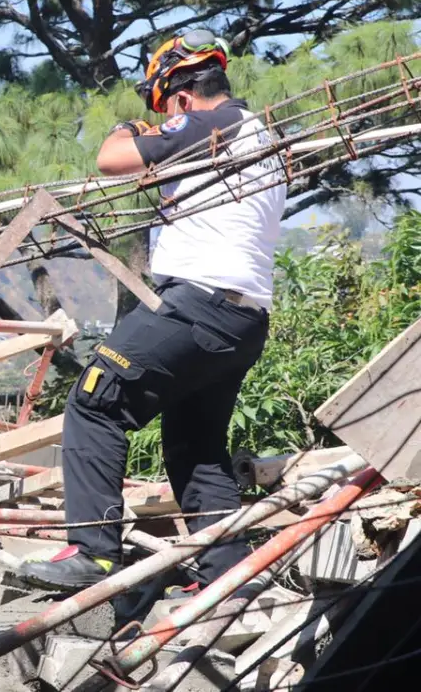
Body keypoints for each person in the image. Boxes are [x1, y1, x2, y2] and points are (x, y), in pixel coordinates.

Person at [20, 30, 286, 592]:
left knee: (95, 397)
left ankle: (92, 552)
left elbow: (111, 158)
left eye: (163, 106)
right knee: (196, 449)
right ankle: (227, 578)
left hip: (200, 303)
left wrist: (129, 129)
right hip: (243, 318)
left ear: (182, 98)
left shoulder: (211, 123)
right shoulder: (259, 136)